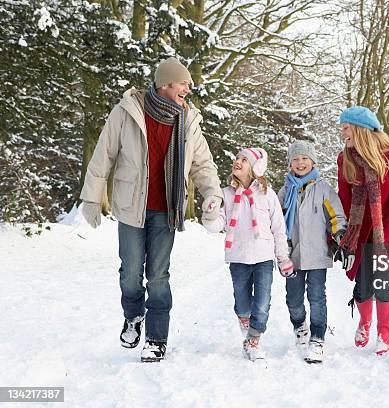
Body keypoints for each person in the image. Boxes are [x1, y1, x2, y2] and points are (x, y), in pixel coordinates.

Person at [79, 57, 223, 362]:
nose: (188, 87)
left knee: (158, 276)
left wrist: (213, 195)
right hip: (132, 205)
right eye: (183, 83)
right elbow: (103, 155)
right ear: (165, 84)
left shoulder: (188, 120)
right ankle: (133, 316)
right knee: (131, 273)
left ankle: (156, 339)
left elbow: (202, 164)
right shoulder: (127, 111)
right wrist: (91, 198)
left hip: (166, 209)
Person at [202, 147, 294, 362]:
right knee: (242, 303)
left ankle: (253, 339)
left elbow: (279, 229)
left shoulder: (267, 194)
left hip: (263, 257)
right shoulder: (225, 194)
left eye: (244, 159)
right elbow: (219, 224)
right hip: (238, 257)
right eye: (237, 158)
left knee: (262, 302)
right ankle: (244, 318)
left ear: (255, 168)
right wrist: (210, 214)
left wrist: (283, 258)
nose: (238, 161)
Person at [337, 106, 389, 355]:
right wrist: (346, 235)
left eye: (346, 128)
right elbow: (345, 199)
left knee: (383, 284)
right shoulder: (345, 158)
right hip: (362, 233)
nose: (342, 133)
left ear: (360, 128)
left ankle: (384, 334)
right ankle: (365, 322)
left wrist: (384, 238)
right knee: (363, 286)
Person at [277, 140, 348, 363]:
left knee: (317, 297)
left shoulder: (323, 189)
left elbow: (336, 217)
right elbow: (276, 221)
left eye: (304, 158)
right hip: (292, 255)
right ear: (290, 163)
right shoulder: (285, 191)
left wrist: (340, 236)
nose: (300, 163)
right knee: (294, 299)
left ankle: (318, 338)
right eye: (296, 159)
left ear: (312, 161)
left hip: (318, 254)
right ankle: (300, 326)